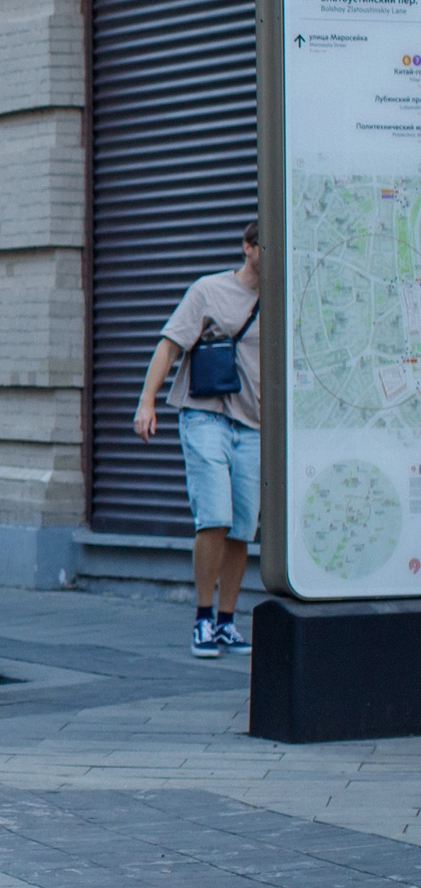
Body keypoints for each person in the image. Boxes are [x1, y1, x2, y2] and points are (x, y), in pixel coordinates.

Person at [134, 221, 261, 659]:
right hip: (206, 415)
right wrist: (147, 402)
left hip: (255, 424)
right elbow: (168, 346)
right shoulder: (208, 290)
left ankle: (227, 622)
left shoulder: (284, 297)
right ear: (248, 247)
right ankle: (202, 618)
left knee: (242, 528)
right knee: (215, 517)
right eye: (268, 245)